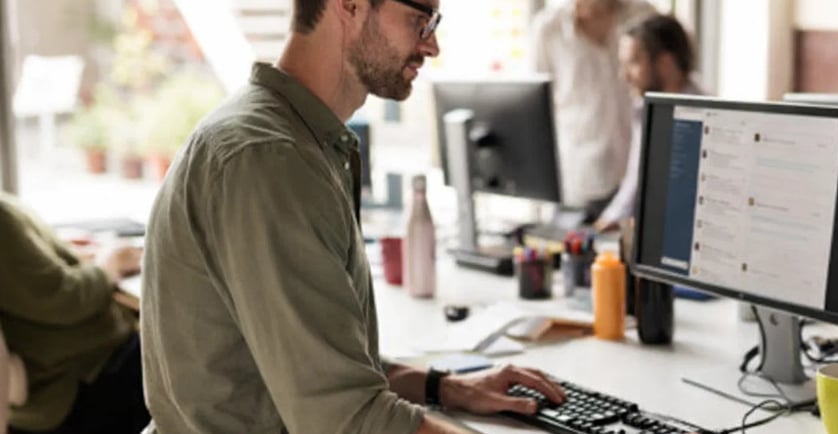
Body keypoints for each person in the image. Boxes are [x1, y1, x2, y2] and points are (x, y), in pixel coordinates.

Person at [140, 0, 565, 433]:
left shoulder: (297, 140)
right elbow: (344, 419)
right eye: (421, 20)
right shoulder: (270, 159)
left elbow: (322, 364)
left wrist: (450, 388)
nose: (432, 45)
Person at [0, 193, 149, 434]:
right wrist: (108, 265)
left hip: (47, 388)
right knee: (182, 350)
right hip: (75, 379)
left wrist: (65, 253)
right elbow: (63, 300)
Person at [529, 0, 657, 219]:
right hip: (579, 185)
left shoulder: (644, 15)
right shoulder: (548, 29)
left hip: (639, 181)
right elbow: (538, 112)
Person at [594, 14, 704, 232]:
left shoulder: (703, 117)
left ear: (665, 63)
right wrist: (609, 220)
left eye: (633, 62)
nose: (624, 76)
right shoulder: (646, 109)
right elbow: (635, 178)